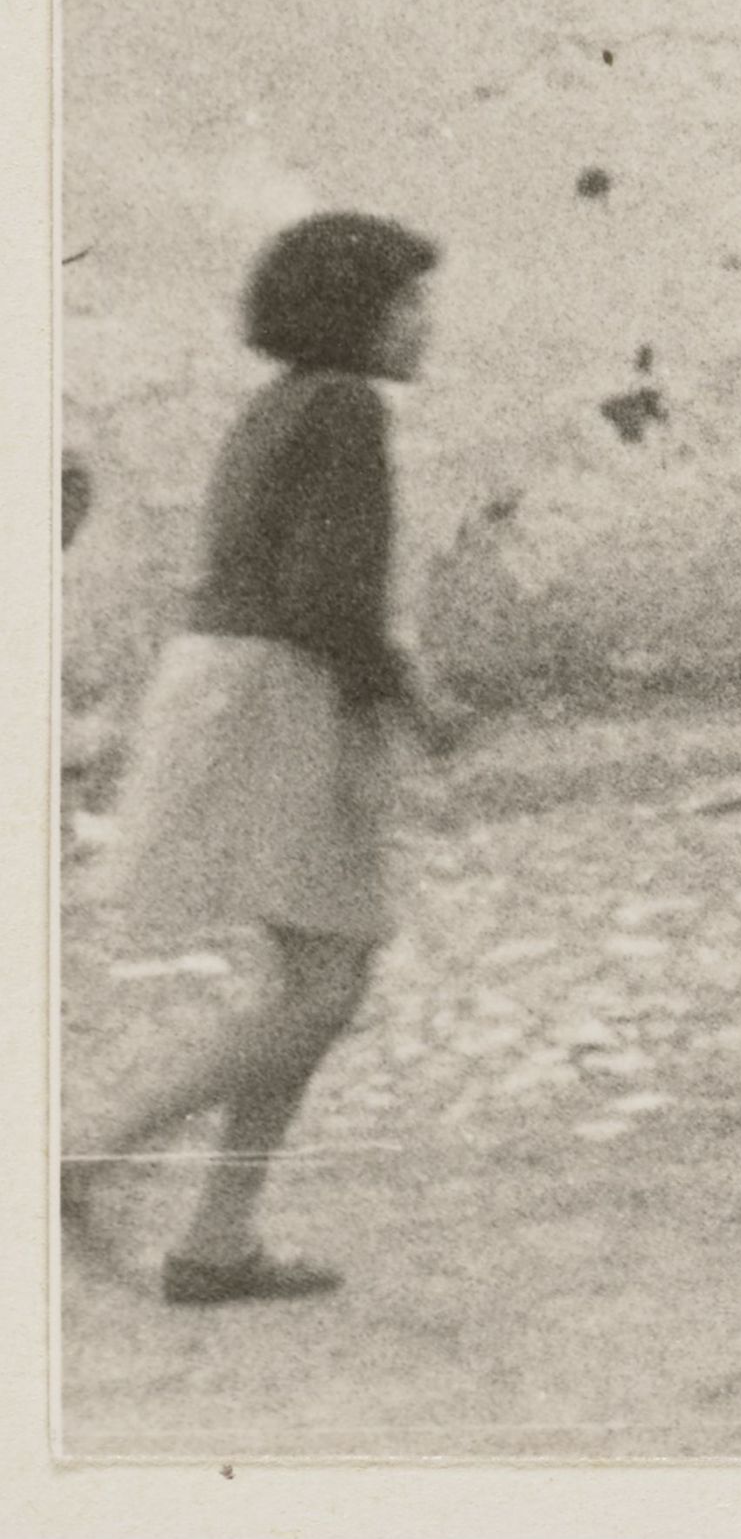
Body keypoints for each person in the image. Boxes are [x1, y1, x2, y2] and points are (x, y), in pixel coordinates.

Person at [64, 212, 467, 1305]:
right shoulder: (344, 408)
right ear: (354, 316)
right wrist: (416, 699)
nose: (422, 324)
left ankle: (219, 1238)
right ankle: (92, 1152)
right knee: (324, 984)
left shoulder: (281, 403)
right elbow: (328, 600)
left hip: (238, 685)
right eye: (405, 304)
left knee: (314, 980)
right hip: (280, 697)